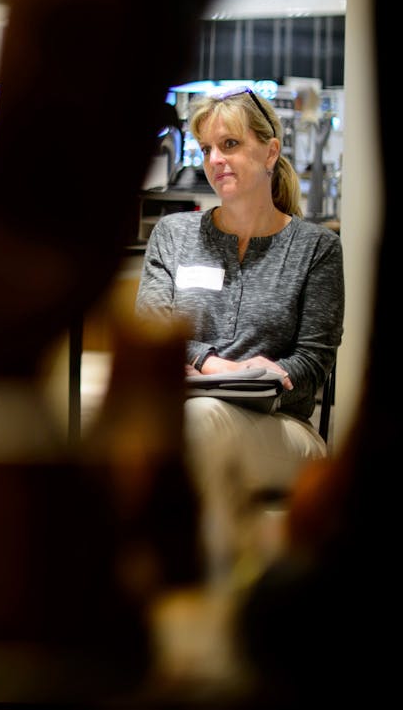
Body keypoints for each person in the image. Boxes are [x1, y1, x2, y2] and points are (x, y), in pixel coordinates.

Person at [135, 83, 343, 577]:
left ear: (270, 151)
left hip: (284, 431)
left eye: (229, 145)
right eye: (206, 149)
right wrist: (216, 363)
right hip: (187, 419)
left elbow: (312, 364)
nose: (215, 160)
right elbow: (152, 332)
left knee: (200, 418)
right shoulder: (175, 234)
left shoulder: (316, 249)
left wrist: (262, 375)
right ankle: (219, 580)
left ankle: (184, 581)